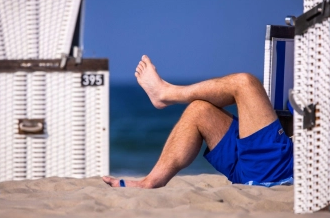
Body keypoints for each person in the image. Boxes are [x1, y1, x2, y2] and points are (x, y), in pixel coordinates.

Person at [102, 55, 293, 188]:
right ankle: (150, 182)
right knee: (199, 111)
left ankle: (167, 93)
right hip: (253, 169)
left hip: (276, 170)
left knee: (244, 83)